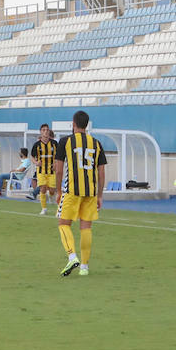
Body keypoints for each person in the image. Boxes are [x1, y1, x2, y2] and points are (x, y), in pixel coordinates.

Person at [55, 110, 106, 277]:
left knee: (63, 224)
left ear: (73, 124)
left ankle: (72, 256)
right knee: (86, 228)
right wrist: (99, 195)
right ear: (87, 124)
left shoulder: (65, 141)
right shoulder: (96, 143)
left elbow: (59, 170)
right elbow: (101, 172)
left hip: (72, 191)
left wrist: (58, 191)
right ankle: (84, 267)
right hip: (90, 192)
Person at [29, 124, 58, 213]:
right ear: (41, 132)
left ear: (49, 132)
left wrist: (56, 164)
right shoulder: (37, 145)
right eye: (43, 130)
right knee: (43, 188)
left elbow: (59, 156)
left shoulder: (54, 143)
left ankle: (52, 196)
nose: (45, 131)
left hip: (51, 170)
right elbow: (32, 157)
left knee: (52, 189)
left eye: (47, 130)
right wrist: (36, 162)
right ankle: (44, 208)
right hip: (41, 170)